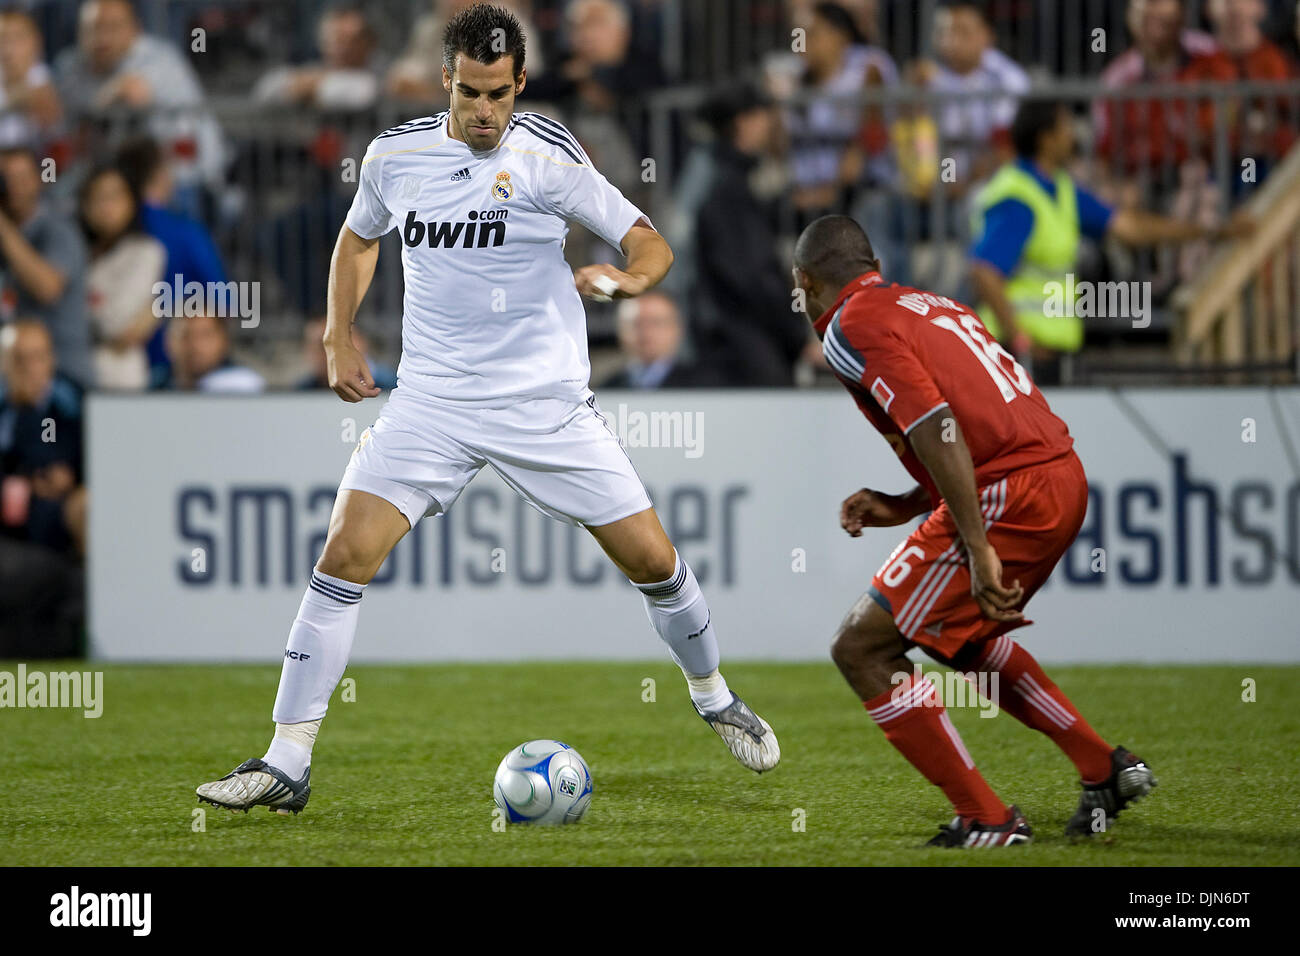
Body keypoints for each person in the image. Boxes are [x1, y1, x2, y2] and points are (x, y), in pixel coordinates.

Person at [195, 3, 779, 816]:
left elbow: (648, 240)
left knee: (652, 561)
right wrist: (337, 334)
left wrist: (627, 280)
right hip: (431, 400)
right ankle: (286, 760)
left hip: (543, 402)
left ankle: (713, 692)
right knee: (344, 554)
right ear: (446, 80)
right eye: (470, 92)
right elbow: (359, 238)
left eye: (499, 94)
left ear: (520, 85)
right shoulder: (396, 155)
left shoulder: (549, 156)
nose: (484, 111)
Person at [792, 214, 1157, 846]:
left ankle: (987, 819)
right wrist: (910, 504)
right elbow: (974, 417)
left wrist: (978, 544)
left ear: (805, 282)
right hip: (1058, 475)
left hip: (1007, 491)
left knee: (862, 649)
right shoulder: (932, 304)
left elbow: (938, 426)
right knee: (957, 636)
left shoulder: (849, 326)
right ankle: (1103, 767)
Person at [969, 100, 1251, 381]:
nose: (1074, 136)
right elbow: (985, 272)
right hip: (1019, 359)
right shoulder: (1019, 197)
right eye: (1066, 127)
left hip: (1052, 354)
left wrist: (1214, 231)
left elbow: (1132, 229)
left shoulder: (1061, 190)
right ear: (1046, 138)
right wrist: (1019, 340)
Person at [54, 0, 225, 193]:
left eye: (113, 27)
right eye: (93, 28)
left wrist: (96, 105)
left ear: (135, 29)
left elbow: (133, 91)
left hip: (187, 178)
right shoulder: (69, 65)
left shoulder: (158, 57)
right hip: (116, 179)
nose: (102, 37)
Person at [0, 319, 85, 657]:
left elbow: (78, 455)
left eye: (38, 357)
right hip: (13, 518)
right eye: (21, 359)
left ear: (51, 360)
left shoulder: (71, 402)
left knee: (88, 507)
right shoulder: (10, 409)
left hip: (59, 513)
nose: (31, 368)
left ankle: (91, 626)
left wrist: (66, 478)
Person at [0, 147, 92, 387]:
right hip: (12, 373)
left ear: (38, 180)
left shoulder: (59, 230)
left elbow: (47, 288)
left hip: (63, 374)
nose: (12, 187)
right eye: (4, 179)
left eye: (21, 178)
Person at [78, 162, 165, 390]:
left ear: (132, 203)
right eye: (98, 197)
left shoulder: (145, 251)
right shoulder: (75, 250)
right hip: (71, 372)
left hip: (118, 377)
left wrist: (78, 304)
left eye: (115, 197)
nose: (107, 206)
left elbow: (116, 324)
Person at [252, 3, 382, 111]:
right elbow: (265, 90)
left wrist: (313, 87)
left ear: (369, 42)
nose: (343, 47)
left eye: (350, 40)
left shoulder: (379, 71)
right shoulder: (313, 70)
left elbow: (366, 93)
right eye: (335, 39)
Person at [597, 292, 715, 389]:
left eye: (656, 323)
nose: (646, 332)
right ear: (620, 329)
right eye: (637, 324)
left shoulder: (708, 386)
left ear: (677, 329)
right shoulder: (606, 389)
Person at [153, 313, 265, 393]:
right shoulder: (158, 384)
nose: (196, 345)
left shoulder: (242, 383)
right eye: (187, 335)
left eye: (205, 335)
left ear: (224, 339)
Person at [0, 10, 61, 149]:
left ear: (36, 42)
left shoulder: (52, 81)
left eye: (17, 38)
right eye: (2, 39)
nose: (7, 49)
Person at [296, 316, 396, 391]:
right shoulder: (299, 394)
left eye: (343, 342)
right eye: (322, 345)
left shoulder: (396, 387)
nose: (334, 353)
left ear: (363, 342)